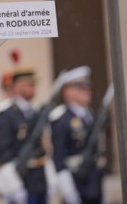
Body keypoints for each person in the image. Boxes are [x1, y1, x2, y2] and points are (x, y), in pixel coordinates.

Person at [49, 66, 105, 204]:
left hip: (94, 181)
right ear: (67, 91)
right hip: (75, 181)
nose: (87, 92)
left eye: (87, 88)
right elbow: (59, 157)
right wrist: (68, 191)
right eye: (80, 89)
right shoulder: (61, 118)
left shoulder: (91, 116)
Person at [0, 68, 47, 204]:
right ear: (16, 87)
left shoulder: (35, 112)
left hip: (38, 179)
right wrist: (13, 186)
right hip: (19, 179)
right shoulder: (6, 115)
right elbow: (3, 154)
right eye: (28, 85)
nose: (32, 88)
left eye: (33, 85)